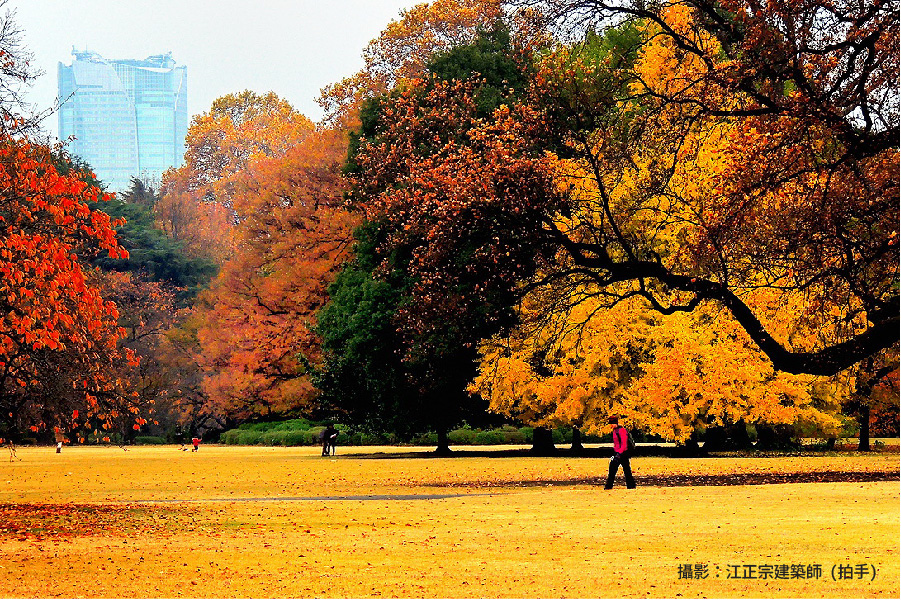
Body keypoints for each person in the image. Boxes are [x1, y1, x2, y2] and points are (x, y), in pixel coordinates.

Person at [605, 416, 636, 489]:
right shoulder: (615, 431)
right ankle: (630, 485)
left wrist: (619, 454)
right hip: (617, 453)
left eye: (612, 423)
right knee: (617, 469)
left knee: (624, 469)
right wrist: (615, 453)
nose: (611, 425)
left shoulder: (622, 430)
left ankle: (630, 485)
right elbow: (616, 444)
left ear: (615, 423)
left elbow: (624, 444)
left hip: (623, 453)